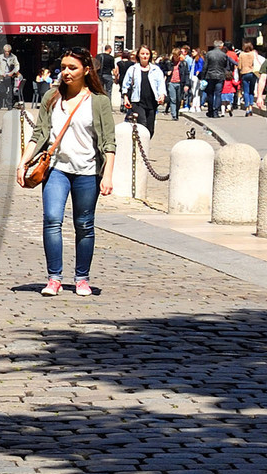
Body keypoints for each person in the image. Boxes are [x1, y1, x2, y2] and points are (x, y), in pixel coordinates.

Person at [25, 48, 116, 296]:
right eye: (63, 67)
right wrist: (23, 162)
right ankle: (54, 278)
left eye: (72, 68)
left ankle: (82, 278)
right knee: (52, 219)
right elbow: (39, 134)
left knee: (84, 224)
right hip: (57, 169)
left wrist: (108, 174)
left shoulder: (99, 101)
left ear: (86, 70)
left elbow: (109, 141)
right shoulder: (52, 97)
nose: (66, 72)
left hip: (88, 171)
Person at [121, 44, 164, 136]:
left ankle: (144, 143)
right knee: (142, 125)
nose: (145, 56)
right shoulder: (133, 69)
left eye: (147, 54)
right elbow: (125, 85)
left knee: (150, 129)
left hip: (151, 102)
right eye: (142, 53)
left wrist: (162, 95)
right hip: (137, 102)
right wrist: (125, 97)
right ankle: (141, 143)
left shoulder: (156, 69)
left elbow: (161, 84)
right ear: (138, 55)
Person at [238, 40, 258, 112]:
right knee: (251, 91)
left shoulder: (241, 54)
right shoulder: (254, 53)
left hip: (244, 73)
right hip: (253, 72)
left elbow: (239, 66)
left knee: (246, 91)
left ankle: (247, 107)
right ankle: (251, 106)